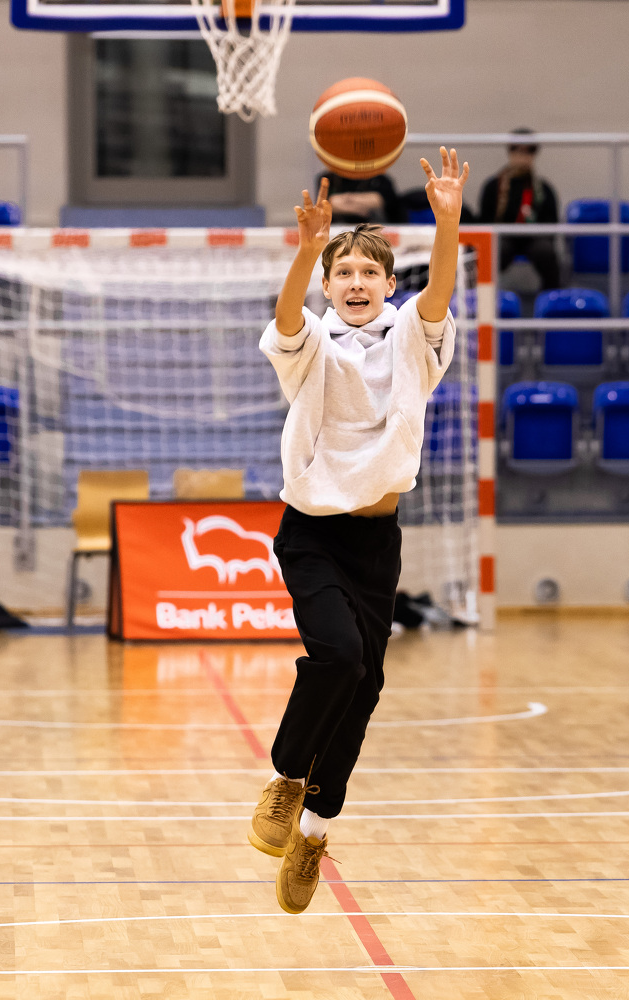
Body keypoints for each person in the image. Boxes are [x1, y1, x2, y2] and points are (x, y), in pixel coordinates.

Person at [253, 149, 465, 914]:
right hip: (311, 532)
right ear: (327, 286)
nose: (354, 282)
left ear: (388, 285)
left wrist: (447, 223)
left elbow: (439, 292)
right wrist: (306, 248)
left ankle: (313, 830)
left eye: (368, 272)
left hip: (377, 541)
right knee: (338, 657)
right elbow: (285, 318)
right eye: (341, 272)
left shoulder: (414, 338)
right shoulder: (310, 343)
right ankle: (285, 777)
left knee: (366, 685)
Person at [478, 127, 561, 292]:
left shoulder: (543, 189)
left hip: (534, 238)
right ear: (510, 152)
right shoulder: (493, 187)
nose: (523, 156)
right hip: (504, 237)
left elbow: (551, 223)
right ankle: (483, 296)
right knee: (495, 251)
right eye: (517, 150)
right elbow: (485, 219)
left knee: (545, 251)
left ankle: (551, 297)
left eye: (529, 151)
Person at [315, 169, 405, 225]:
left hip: (375, 229)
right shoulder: (328, 178)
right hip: (337, 231)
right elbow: (326, 205)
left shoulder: (379, 178)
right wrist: (361, 209)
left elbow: (380, 200)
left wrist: (346, 199)